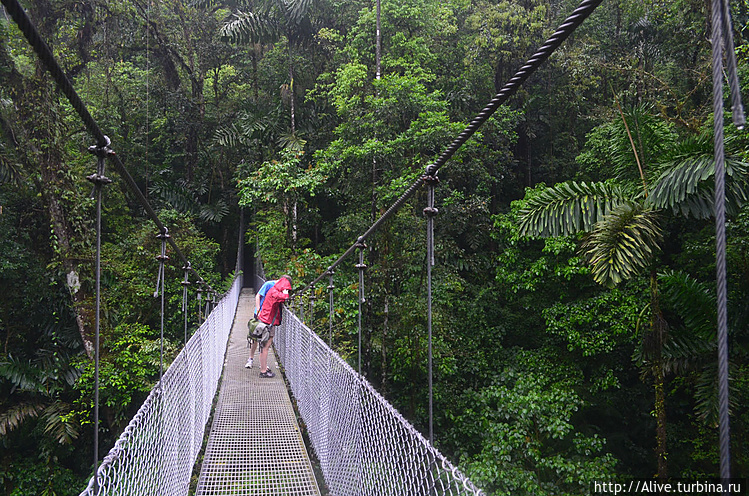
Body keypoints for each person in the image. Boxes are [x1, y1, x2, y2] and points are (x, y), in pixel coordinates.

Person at [248, 275, 292, 378]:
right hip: (268, 323)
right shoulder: (275, 292)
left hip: (265, 320)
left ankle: (264, 367)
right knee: (266, 347)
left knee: (264, 346)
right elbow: (285, 297)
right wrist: (285, 292)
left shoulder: (273, 290)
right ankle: (263, 371)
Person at [245, 278, 276, 369]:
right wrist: (258, 310)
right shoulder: (269, 284)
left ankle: (262, 364)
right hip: (260, 314)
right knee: (255, 337)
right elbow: (258, 295)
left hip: (270, 317)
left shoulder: (282, 290)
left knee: (265, 339)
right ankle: (250, 359)